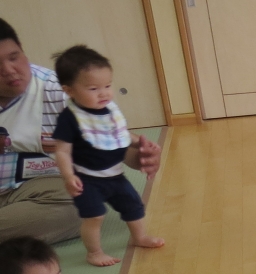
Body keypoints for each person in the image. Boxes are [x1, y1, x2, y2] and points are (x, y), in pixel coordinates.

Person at [0, 19, 159, 245]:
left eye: (14, 57)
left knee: (78, 203)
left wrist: (141, 156)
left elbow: (111, 143)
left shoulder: (65, 92)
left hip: (43, 188)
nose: (9, 70)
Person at [51, 46, 164, 267]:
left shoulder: (108, 110)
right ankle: (94, 252)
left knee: (134, 206)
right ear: (69, 90)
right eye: (93, 88)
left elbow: (120, 133)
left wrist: (139, 142)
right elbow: (62, 150)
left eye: (108, 86)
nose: (103, 93)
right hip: (87, 178)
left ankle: (139, 237)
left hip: (115, 175)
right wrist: (68, 176)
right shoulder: (70, 118)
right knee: (94, 216)